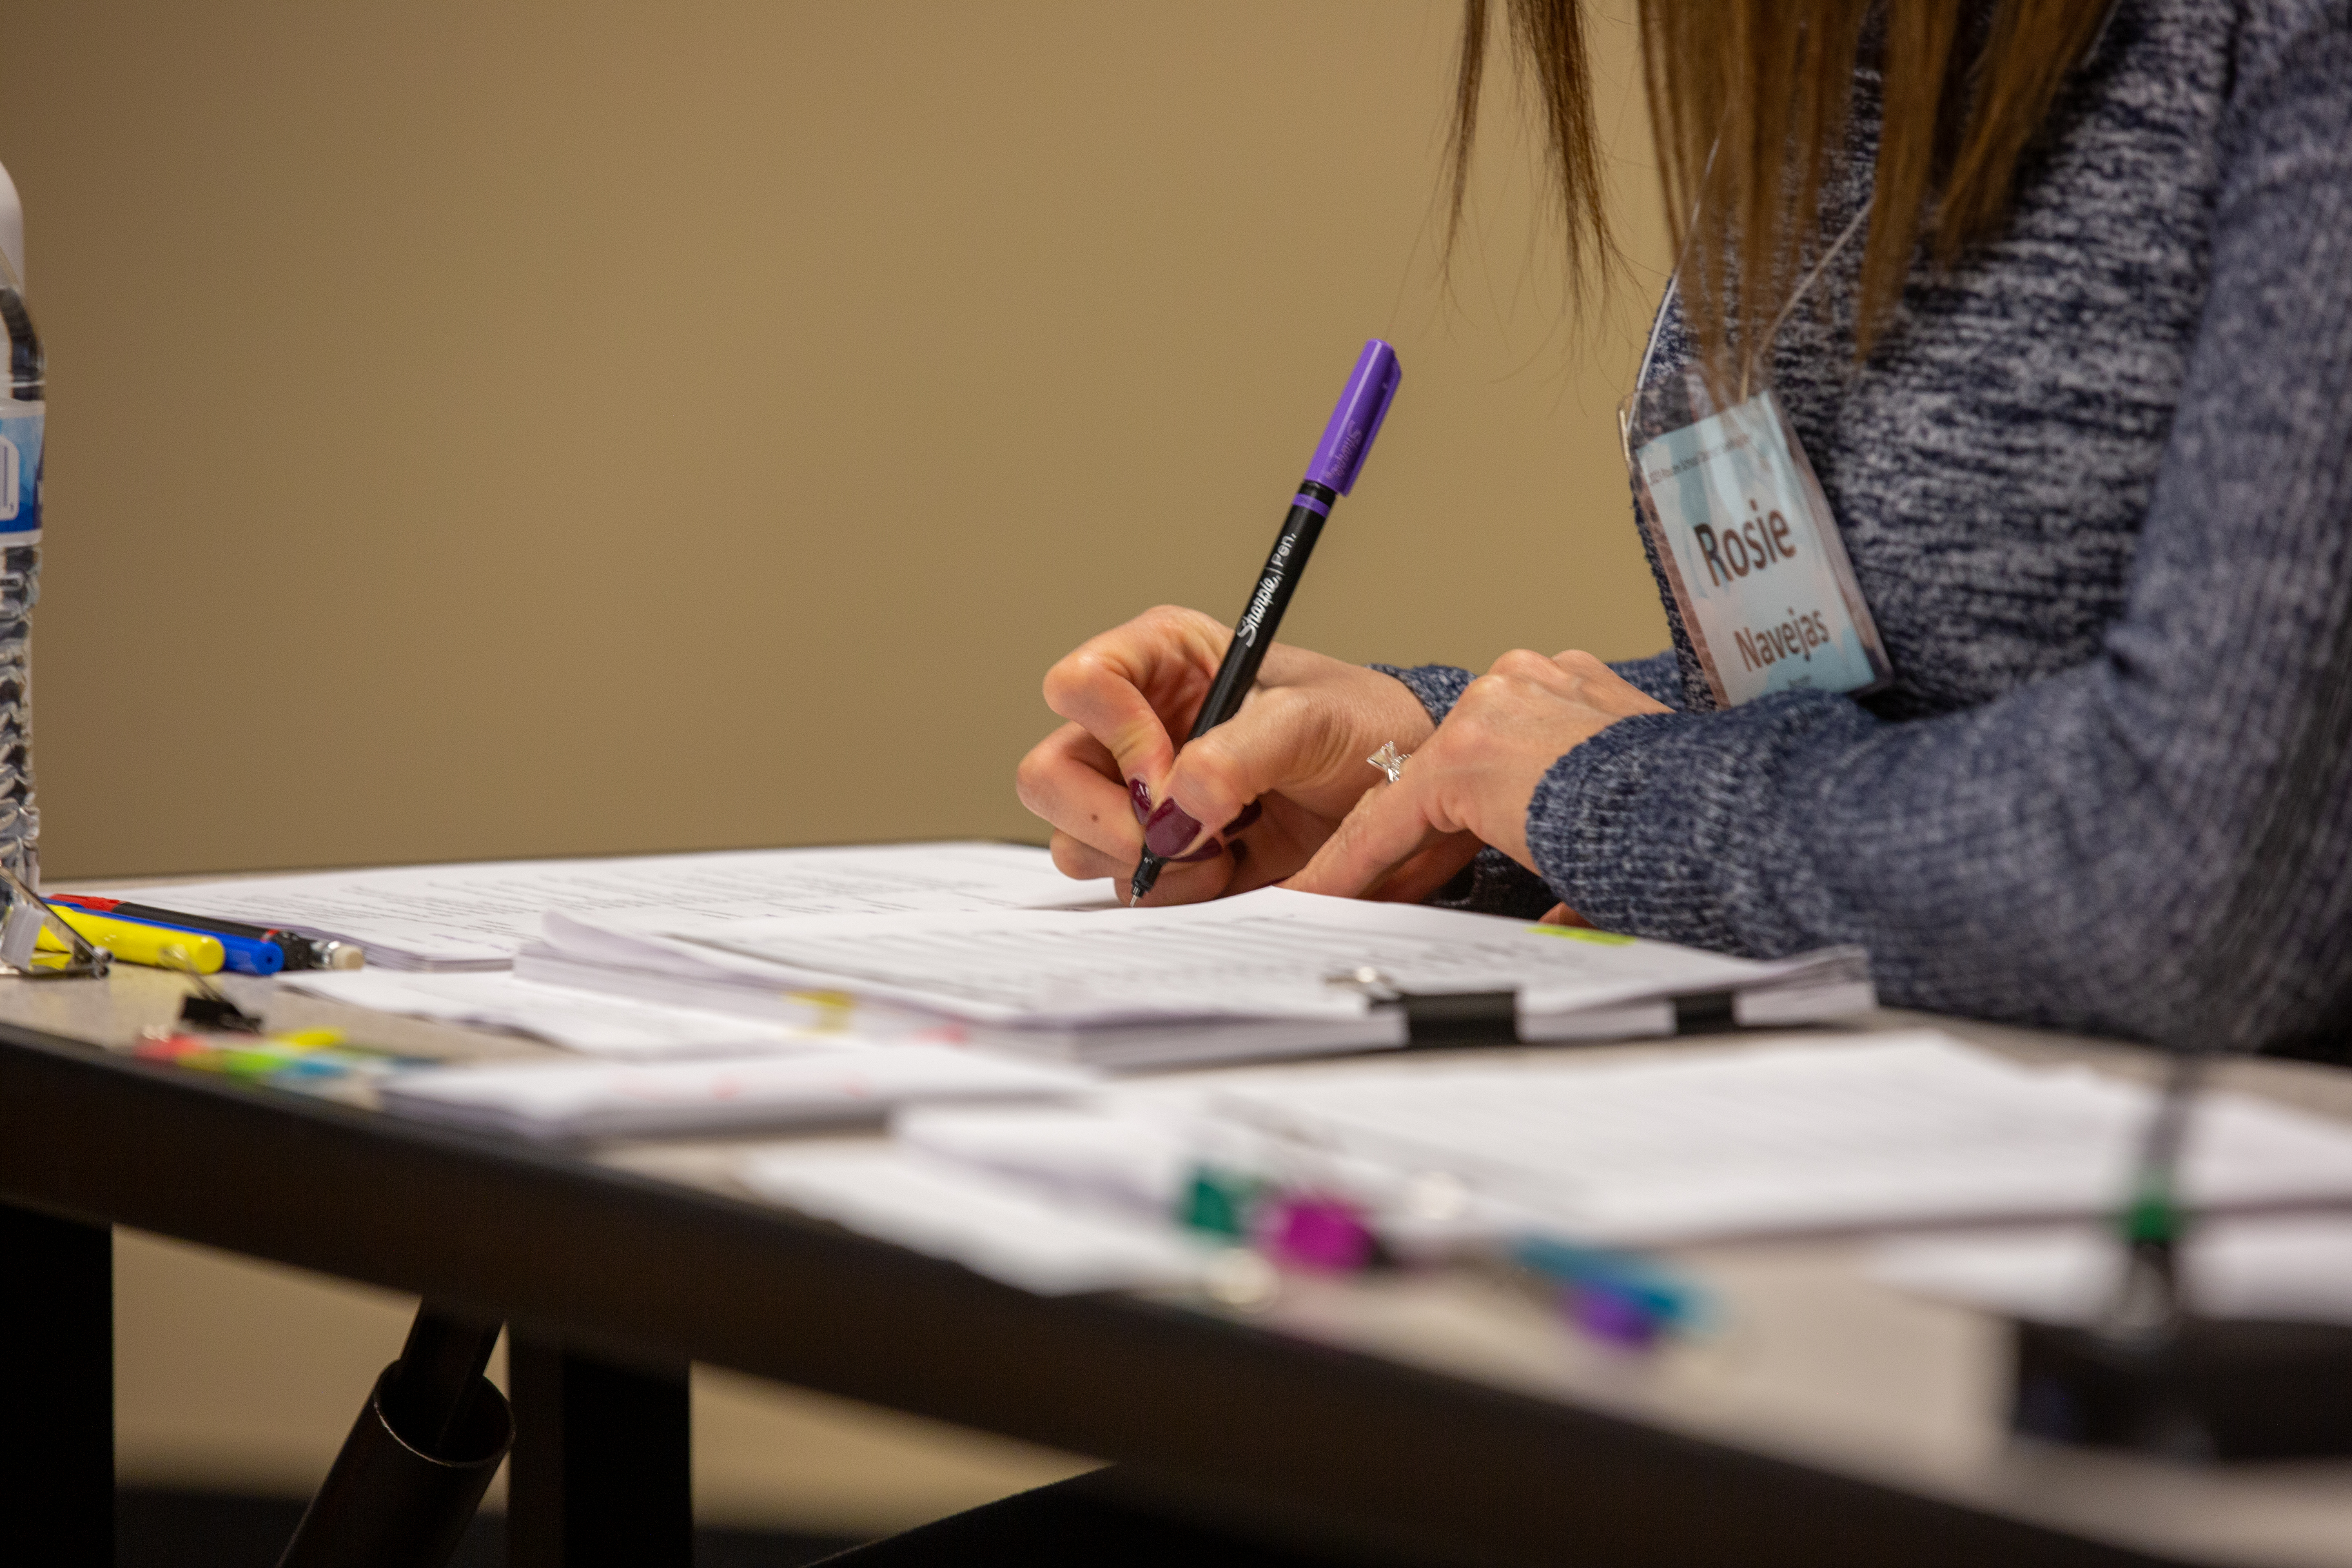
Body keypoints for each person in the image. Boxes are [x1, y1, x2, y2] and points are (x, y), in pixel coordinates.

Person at [829, 0, 2352, 1561]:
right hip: (1859, 1244)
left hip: (2191, 1373)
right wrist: (1420, 760)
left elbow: (2207, 855)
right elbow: (1912, 708)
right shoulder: (1824, 54)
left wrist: (1591, 792)